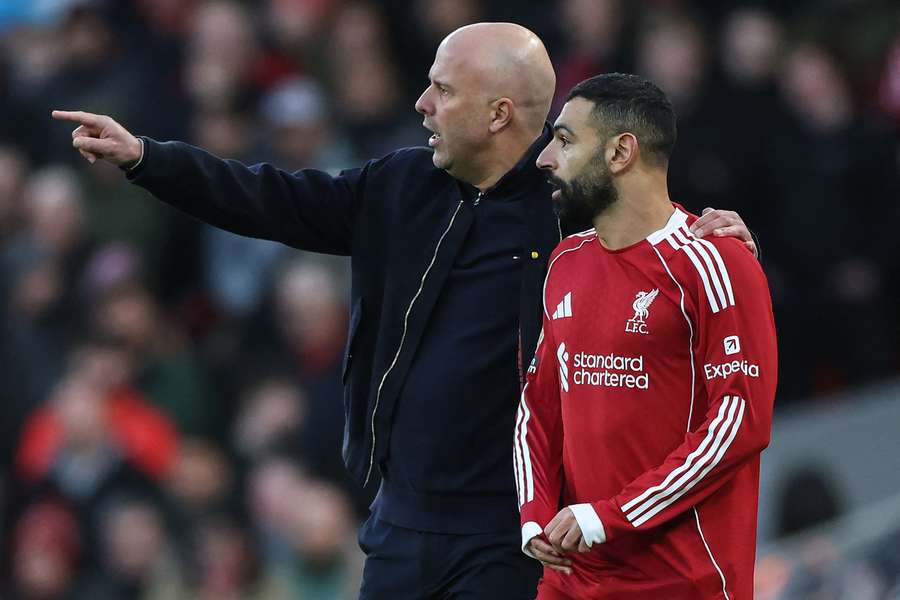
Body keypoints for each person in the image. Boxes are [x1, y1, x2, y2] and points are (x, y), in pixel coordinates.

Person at [52, 22, 756, 599]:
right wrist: (148, 158)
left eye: (442, 90)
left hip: (513, 534)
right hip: (400, 520)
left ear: (498, 114)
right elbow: (270, 198)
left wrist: (717, 236)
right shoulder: (398, 186)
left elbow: (662, 241)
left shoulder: (571, 211)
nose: (421, 103)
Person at [518, 73, 777, 599]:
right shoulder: (565, 262)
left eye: (565, 140)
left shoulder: (717, 262)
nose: (545, 158)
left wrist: (611, 517)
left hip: (680, 581)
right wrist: (535, 513)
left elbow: (738, 424)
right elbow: (538, 407)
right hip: (570, 579)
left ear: (621, 152)